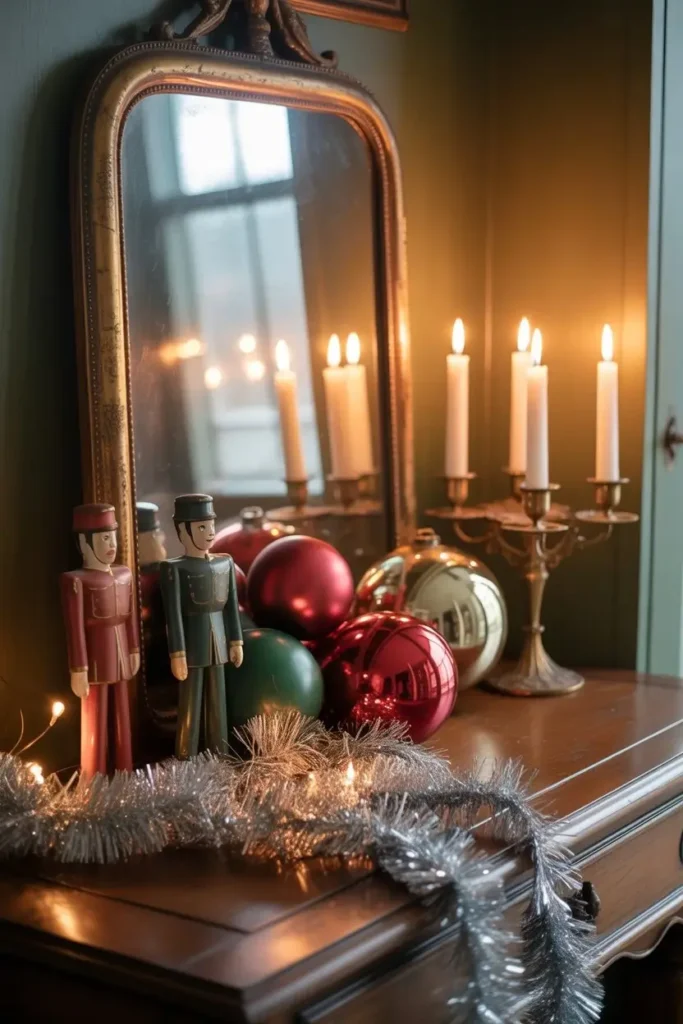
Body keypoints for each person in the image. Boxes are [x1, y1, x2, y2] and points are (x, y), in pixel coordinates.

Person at [160, 494, 243, 758]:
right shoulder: (174, 569)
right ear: (183, 531)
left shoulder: (224, 562)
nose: (209, 533)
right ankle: (185, 755)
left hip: (218, 642)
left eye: (210, 526)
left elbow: (231, 607)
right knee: (191, 703)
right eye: (201, 528)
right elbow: (172, 614)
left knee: (219, 702)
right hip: (192, 646)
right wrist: (178, 653)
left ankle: (219, 755)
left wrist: (236, 640)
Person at [60, 503, 139, 777]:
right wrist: (78, 669)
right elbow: (75, 629)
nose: (111, 544)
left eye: (112, 536)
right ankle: (92, 782)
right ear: (84, 542)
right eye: (104, 538)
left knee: (123, 717)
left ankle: (125, 775)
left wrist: (134, 649)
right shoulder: (75, 581)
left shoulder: (124, 574)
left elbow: (130, 618)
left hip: (120, 655)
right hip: (95, 659)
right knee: (95, 718)